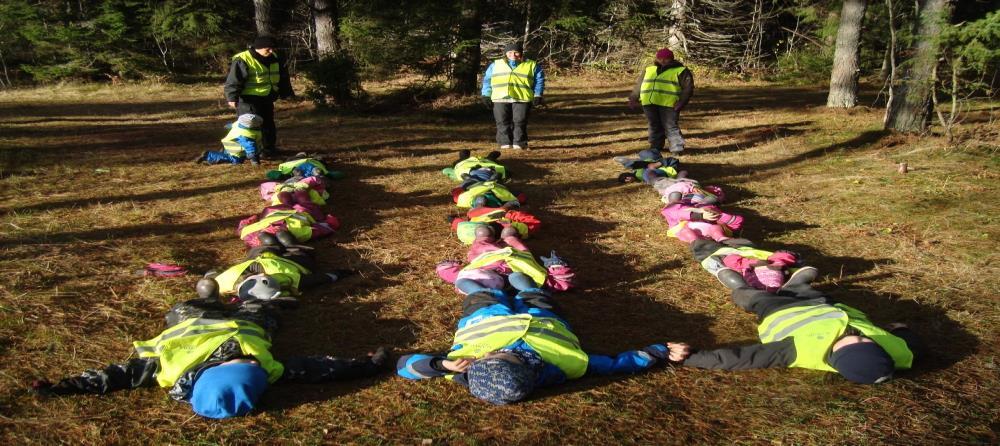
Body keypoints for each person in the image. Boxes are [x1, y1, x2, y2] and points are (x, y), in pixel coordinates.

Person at [31, 296, 389, 419]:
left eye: (245, 367)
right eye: (256, 370)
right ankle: (263, 301)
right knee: (264, 309)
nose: (254, 363)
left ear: (215, 374)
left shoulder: (164, 369)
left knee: (184, 307)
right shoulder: (266, 369)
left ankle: (211, 293)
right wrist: (368, 364)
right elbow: (318, 369)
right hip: (246, 322)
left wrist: (64, 387)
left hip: (191, 320)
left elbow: (112, 376)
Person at [397, 287, 690, 405]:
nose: (487, 354)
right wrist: (659, 350)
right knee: (531, 289)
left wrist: (439, 364)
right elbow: (618, 364)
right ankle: (524, 285)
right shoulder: (572, 366)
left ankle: (490, 282)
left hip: (483, 315)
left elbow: (405, 367)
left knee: (482, 290)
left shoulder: (462, 368)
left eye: (484, 359)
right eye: (501, 355)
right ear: (525, 366)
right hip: (544, 316)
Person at [683, 271, 922, 384]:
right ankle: (796, 285)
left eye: (856, 342)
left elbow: (743, 357)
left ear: (836, 356)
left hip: (779, 311)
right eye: (869, 341)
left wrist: (692, 357)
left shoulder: (799, 350)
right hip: (824, 305)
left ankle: (741, 286)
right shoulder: (897, 353)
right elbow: (912, 345)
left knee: (755, 299)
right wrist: (901, 329)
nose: (860, 337)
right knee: (812, 292)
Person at [436, 226, 574, 294]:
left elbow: (452, 276)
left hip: (486, 259)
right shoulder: (533, 281)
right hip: (518, 260)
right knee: (516, 244)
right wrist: (557, 265)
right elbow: (561, 282)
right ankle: (509, 238)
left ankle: (486, 237)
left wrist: (446, 266)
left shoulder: (474, 278)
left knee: (481, 244)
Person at [196, 239, 351, 301]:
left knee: (279, 245)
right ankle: (282, 241)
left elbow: (318, 279)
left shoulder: (222, 284)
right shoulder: (222, 283)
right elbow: (210, 275)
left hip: (271, 256)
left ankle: (279, 241)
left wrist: (339, 274)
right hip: (286, 258)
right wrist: (341, 273)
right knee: (295, 248)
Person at [224, 35, 294, 158]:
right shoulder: (243, 59)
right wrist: (231, 97)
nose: (271, 51)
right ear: (258, 48)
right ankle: (247, 152)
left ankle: (268, 150)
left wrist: (286, 93)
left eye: (273, 48)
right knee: (249, 128)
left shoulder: (275, 58)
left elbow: (283, 77)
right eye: (268, 49)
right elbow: (233, 80)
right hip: (248, 99)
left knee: (268, 125)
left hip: (267, 97)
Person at [628, 48, 693, 154]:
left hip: (669, 104)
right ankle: (655, 146)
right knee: (654, 125)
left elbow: (688, 89)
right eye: (660, 58)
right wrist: (633, 98)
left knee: (671, 126)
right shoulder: (649, 69)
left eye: (666, 59)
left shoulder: (681, 70)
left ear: (671, 59)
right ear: (656, 58)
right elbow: (639, 85)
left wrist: (682, 102)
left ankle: (677, 148)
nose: (662, 61)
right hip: (649, 103)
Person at [481, 43, 545, 150]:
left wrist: (538, 94)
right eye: (510, 52)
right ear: (506, 53)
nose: (513, 55)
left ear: (521, 53)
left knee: (520, 121)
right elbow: (487, 81)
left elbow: (539, 81)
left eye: (516, 52)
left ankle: (519, 143)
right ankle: (505, 143)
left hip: (522, 98)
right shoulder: (495, 64)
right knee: (502, 121)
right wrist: (486, 95)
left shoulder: (532, 65)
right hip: (499, 97)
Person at [690, 239, 818, 292]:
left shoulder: (742, 264)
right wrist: (767, 261)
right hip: (747, 255)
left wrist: (752, 262)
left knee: (698, 243)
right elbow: (786, 256)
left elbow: (732, 260)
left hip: (725, 254)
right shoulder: (779, 263)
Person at [193, 114, 263, 165]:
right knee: (235, 161)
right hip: (234, 148)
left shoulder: (240, 124)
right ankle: (208, 155)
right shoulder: (246, 135)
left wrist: (227, 127)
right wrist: (255, 161)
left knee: (228, 155)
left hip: (231, 143)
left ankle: (210, 160)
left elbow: (230, 125)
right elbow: (250, 148)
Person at [613, 149, 684, 184]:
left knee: (643, 153)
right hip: (661, 167)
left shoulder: (635, 171)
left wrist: (653, 164)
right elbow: (673, 161)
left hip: (650, 162)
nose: (627, 178)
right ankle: (627, 163)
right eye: (625, 180)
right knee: (647, 173)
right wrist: (656, 165)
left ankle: (627, 163)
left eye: (625, 176)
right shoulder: (642, 178)